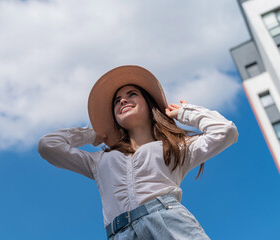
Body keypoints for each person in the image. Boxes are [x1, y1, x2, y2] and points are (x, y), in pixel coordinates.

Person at [37, 65, 238, 239]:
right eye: (117, 100)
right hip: (120, 233)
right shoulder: (100, 161)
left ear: (149, 104)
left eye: (131, 94)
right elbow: (48, 146)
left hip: (169, 223)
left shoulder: (176, 147)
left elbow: (225, 131)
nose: (123, 101)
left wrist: (185, 112)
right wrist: (92, 134)